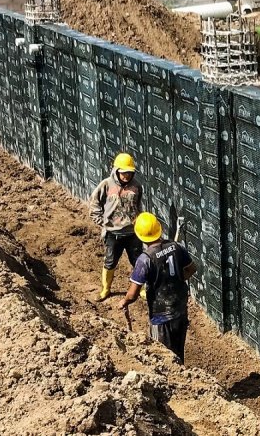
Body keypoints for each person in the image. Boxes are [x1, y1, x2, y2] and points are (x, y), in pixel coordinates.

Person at [118, 212, 196, 364]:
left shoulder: (145, 259)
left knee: (163, 358)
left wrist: (124, 301)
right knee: (178, 353)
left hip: (161, 317)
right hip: (180, 310)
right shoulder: (175, 247)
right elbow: (191, 268)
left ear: (140, 236)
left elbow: (133, 294)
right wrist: (174, 280)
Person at [90, 153, 143, 302]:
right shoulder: (106, 185)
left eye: (129, 172)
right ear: (117, 170)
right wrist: (102, 222)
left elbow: (138, 206)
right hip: (113, 234)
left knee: (139, 261)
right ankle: (106, 289)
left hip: (133, 233)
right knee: (110, 261)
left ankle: (142, 288)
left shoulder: (137, 186)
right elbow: (94, 203)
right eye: (123, 172)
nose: (126, 175)